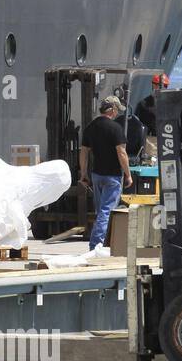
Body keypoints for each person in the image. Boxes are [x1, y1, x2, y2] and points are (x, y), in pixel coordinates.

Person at [79, 96, 134, 251]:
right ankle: (96, 245)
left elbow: (83, 152)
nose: (117, 114)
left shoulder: (91, 127)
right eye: (117, 110)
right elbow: (121, 153)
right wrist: (128, 174)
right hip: (113, 176)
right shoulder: (115, 128)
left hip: (96, 175)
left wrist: (83, 173)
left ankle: (102, 242)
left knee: (100, 211)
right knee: (106, 211)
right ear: (112, 110)